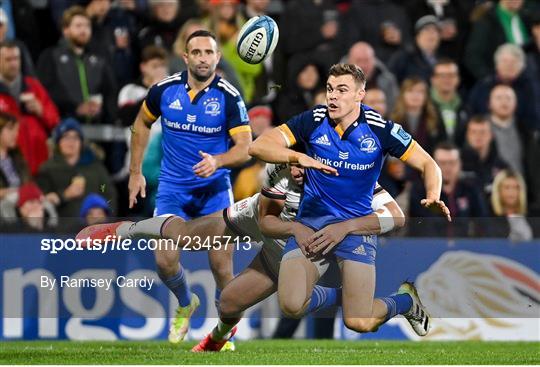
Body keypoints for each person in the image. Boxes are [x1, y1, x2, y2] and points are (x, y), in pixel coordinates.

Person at [76, 164, 405, 351]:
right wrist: (288, 227)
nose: (299, 165)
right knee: (191, 240)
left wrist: (347, 227)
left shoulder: (348, 175)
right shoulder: (278, 167)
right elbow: (266, 216)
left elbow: (395, 214)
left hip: (312, 250)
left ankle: (402, 301)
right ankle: (122, 230)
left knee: (279, 303)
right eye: (294, 157)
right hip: (273, 224)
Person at [248, 63, 450, 337]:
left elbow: (429, 164)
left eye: (342, 90)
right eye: (330, 89)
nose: (333, 96)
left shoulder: (380, 130)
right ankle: (349, 298)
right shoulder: (313, 120)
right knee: (291, 304)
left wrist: (433, 194)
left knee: (358, 322)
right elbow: (257, 146)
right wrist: (297, 156)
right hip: (312, 228)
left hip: (355, 230)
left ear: (360, 94)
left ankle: (405, 302)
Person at [127, 30, 252, 344]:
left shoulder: (228, 97)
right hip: (173, 189)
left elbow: (245, 147)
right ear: (185, 57)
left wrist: (219, 161)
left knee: (222, 266)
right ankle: (186, 303)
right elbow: (141, 123)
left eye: (208, 52)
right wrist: (135, 172)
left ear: (217, 57)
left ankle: (223, 334)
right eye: (196, 52)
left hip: (215, 191)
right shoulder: (163, 91)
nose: (203, 58)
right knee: (164, 260)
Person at [37, 6, 117, 125]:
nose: (84, 30)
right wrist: (75, 109)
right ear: (65, 30)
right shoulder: (50, 56)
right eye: (78, 26)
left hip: (98, 128)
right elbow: (45, 91)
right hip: (62, 127)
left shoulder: (99, 59)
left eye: (87, 26)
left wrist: (103, 110)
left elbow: (111, 92)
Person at [36, 118, 117, 218]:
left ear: (81, 142)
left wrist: (103, 211)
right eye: (66, 137)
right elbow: (41, 202)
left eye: (75, 137)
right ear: (58, 142)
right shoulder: (47, 169)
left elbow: (107, 193)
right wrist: (64, 195)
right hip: (61, 228)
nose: (71, 142)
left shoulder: (95, 168)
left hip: (93, 227)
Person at [0, 41, 60, 175]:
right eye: (8, 59)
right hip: (9, 165)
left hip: (39, 160)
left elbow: (55, 120)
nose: (13, 64)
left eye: (16, 58)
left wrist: (41, 111)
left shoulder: (33, 86)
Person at [409, 142, 488, 237]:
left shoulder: (471, 189)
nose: (447, 167)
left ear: (460, 164)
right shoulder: (420, 191)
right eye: (442, 163)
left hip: (464, 248)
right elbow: (417, 227)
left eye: (452, 163)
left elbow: (482, 222)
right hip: (430, 246)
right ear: (433, 165)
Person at [465, 0, 530, 80]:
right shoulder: (487, 20)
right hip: (498, 84)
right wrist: (491, 80)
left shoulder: (526, 18)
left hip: (526, 83)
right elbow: (472, 57)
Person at [390, 77, 446, 154]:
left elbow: (442, 144)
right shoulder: (393, 120)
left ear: (426, 96)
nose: (415, 95)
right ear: (403, 95)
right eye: (410, 91)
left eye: (420, 92)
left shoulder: (435, 119)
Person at [460, 115, 508, 200]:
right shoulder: (458, 164)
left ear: (491, 135)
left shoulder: (501, 167)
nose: (478, 136)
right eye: (473, 132)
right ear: (467, 135)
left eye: (483, 132)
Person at [344, 42, 399, 111]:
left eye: (367, 60)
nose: (363, 65)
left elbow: (393, 108)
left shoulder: (387, 81)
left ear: (374, 61)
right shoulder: (337, 81)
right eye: (358, 61)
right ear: (350, 62)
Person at [388, 15, 441, 84]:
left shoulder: (443, 58)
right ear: (417, 37)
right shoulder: (403, 58)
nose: (431, 34)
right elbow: (390, 82)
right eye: (427, 30)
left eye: (435, 30)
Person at [429, 58, 468, 144]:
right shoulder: (424, 105)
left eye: (451, 75)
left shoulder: (466, 106)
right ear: (433, 79)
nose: (447, 79)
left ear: (458, 79)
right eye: (442, 75)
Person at [489, 169, 532, 242]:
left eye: (515, 188)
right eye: (507, 187)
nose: (511, 192)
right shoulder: (490, 219)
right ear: (498, 191)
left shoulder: (532, 215)